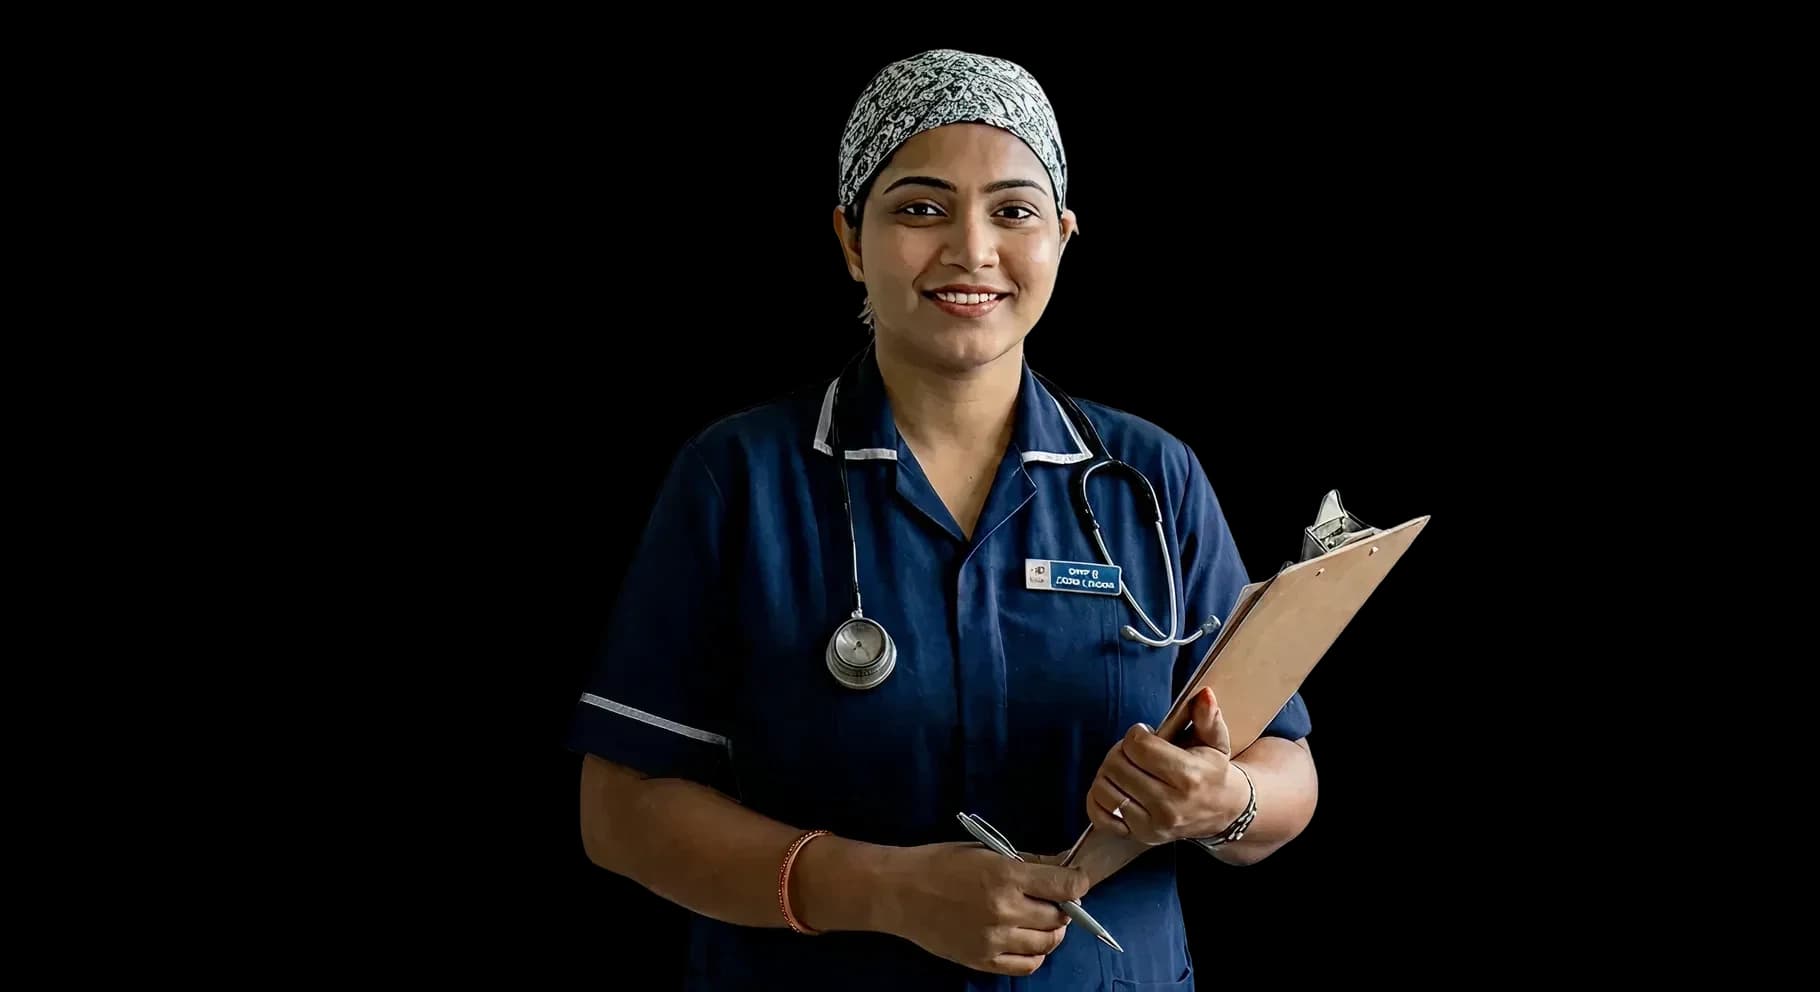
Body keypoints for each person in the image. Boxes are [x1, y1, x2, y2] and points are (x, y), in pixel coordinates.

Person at [567, 48, 1320, 991]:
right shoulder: (738, 480)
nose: (972, 249)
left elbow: (1284, 768)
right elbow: (622, 810)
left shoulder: (1151, 478)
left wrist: (1225, 800)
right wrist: (877, 889)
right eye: (920, 208)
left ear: (1062, 236)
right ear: (850, 238)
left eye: (1014, 211)